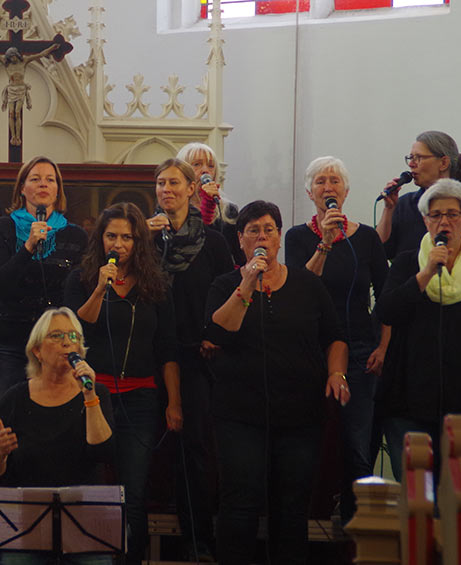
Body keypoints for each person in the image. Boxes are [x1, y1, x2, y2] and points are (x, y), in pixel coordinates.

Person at [206, 200, 348, 565]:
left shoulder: (307, 284)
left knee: (292, 506)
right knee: (240, 503)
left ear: (280, 238)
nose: (262, 237)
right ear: (240, 240)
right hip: (239, 417)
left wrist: (336, 372)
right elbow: (217, 333)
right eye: (253, 230)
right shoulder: (225, 284)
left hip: (300, 418)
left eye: (269, 229)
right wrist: (247, 284)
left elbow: (335, 336)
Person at [63, 202, 181, 563]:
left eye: (126, 237)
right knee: (92, 488)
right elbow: (74, 333)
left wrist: (174, 403)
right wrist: (100, 289)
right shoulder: (81, 280)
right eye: (111, 236)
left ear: (138, 241)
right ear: (100, 239)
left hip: (141, 398)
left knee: (133, 492)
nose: (118, 244)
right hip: (92, 397)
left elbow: (168, 349)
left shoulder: (156, 284)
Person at [284, 156, 390, 523]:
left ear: (345, 192)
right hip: (309, 350)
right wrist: (325, 243)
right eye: (320, 182)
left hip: (360, 350)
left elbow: (386, 297)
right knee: (303, 438)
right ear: (310, 192)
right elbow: (297, 290)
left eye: (334, 182)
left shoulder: (368, 239)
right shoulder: (298, 237)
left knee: (357, 442)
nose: (328, 187)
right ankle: (299, 514)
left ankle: (356, 520)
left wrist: (382, 345)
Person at [147, 158, 233, 561]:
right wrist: (144, 242)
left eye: (174, 183)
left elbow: (227, 289)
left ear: (190, 189)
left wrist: (214, 337)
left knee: (195, 447)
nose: (167, 190)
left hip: (197, 356)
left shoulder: (212, 240)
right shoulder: (145, 237)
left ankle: (197, 537)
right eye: (161, 183)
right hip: (151, 354)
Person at [0, 307, 114, 565]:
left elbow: (104, 453)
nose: (67, 342)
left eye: (73, 336)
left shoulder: (97, 392)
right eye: (56, 336)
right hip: (27, 523)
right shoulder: (15, 397)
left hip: (85, 521)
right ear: (37, 350)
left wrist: (89, 397)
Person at [376, 179, 461, 480]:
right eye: (436, 215)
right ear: (425, 220)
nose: (444, 221)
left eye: (452, 214)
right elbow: (386, 311)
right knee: (419, 501)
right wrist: (426, 273)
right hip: (408, 400)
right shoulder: (408, 263)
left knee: (459, 502)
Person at [0, 156, 88, 422]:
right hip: (9, 340)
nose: (43, 184)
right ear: (22, 188)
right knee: (1, 420)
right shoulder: (2, 228)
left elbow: (77, 290)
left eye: (50, 180)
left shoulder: (75, 236)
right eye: (35, 179)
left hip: (55, 345)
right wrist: (28, 246)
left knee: (51, 420)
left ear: (57, 190)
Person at [377, 130, 461, 259]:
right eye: (410, 158)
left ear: (444, 163)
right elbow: (378, 252)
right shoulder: (404, 205)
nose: (411, 164)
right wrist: (388, 210)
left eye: (419, 158)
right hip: (411, 278)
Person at [176, 142, 243, 265]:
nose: (205, 171)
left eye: (211, 166)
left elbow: (238, 253)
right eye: (197, 164)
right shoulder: (174, 209)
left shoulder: (229, 210)